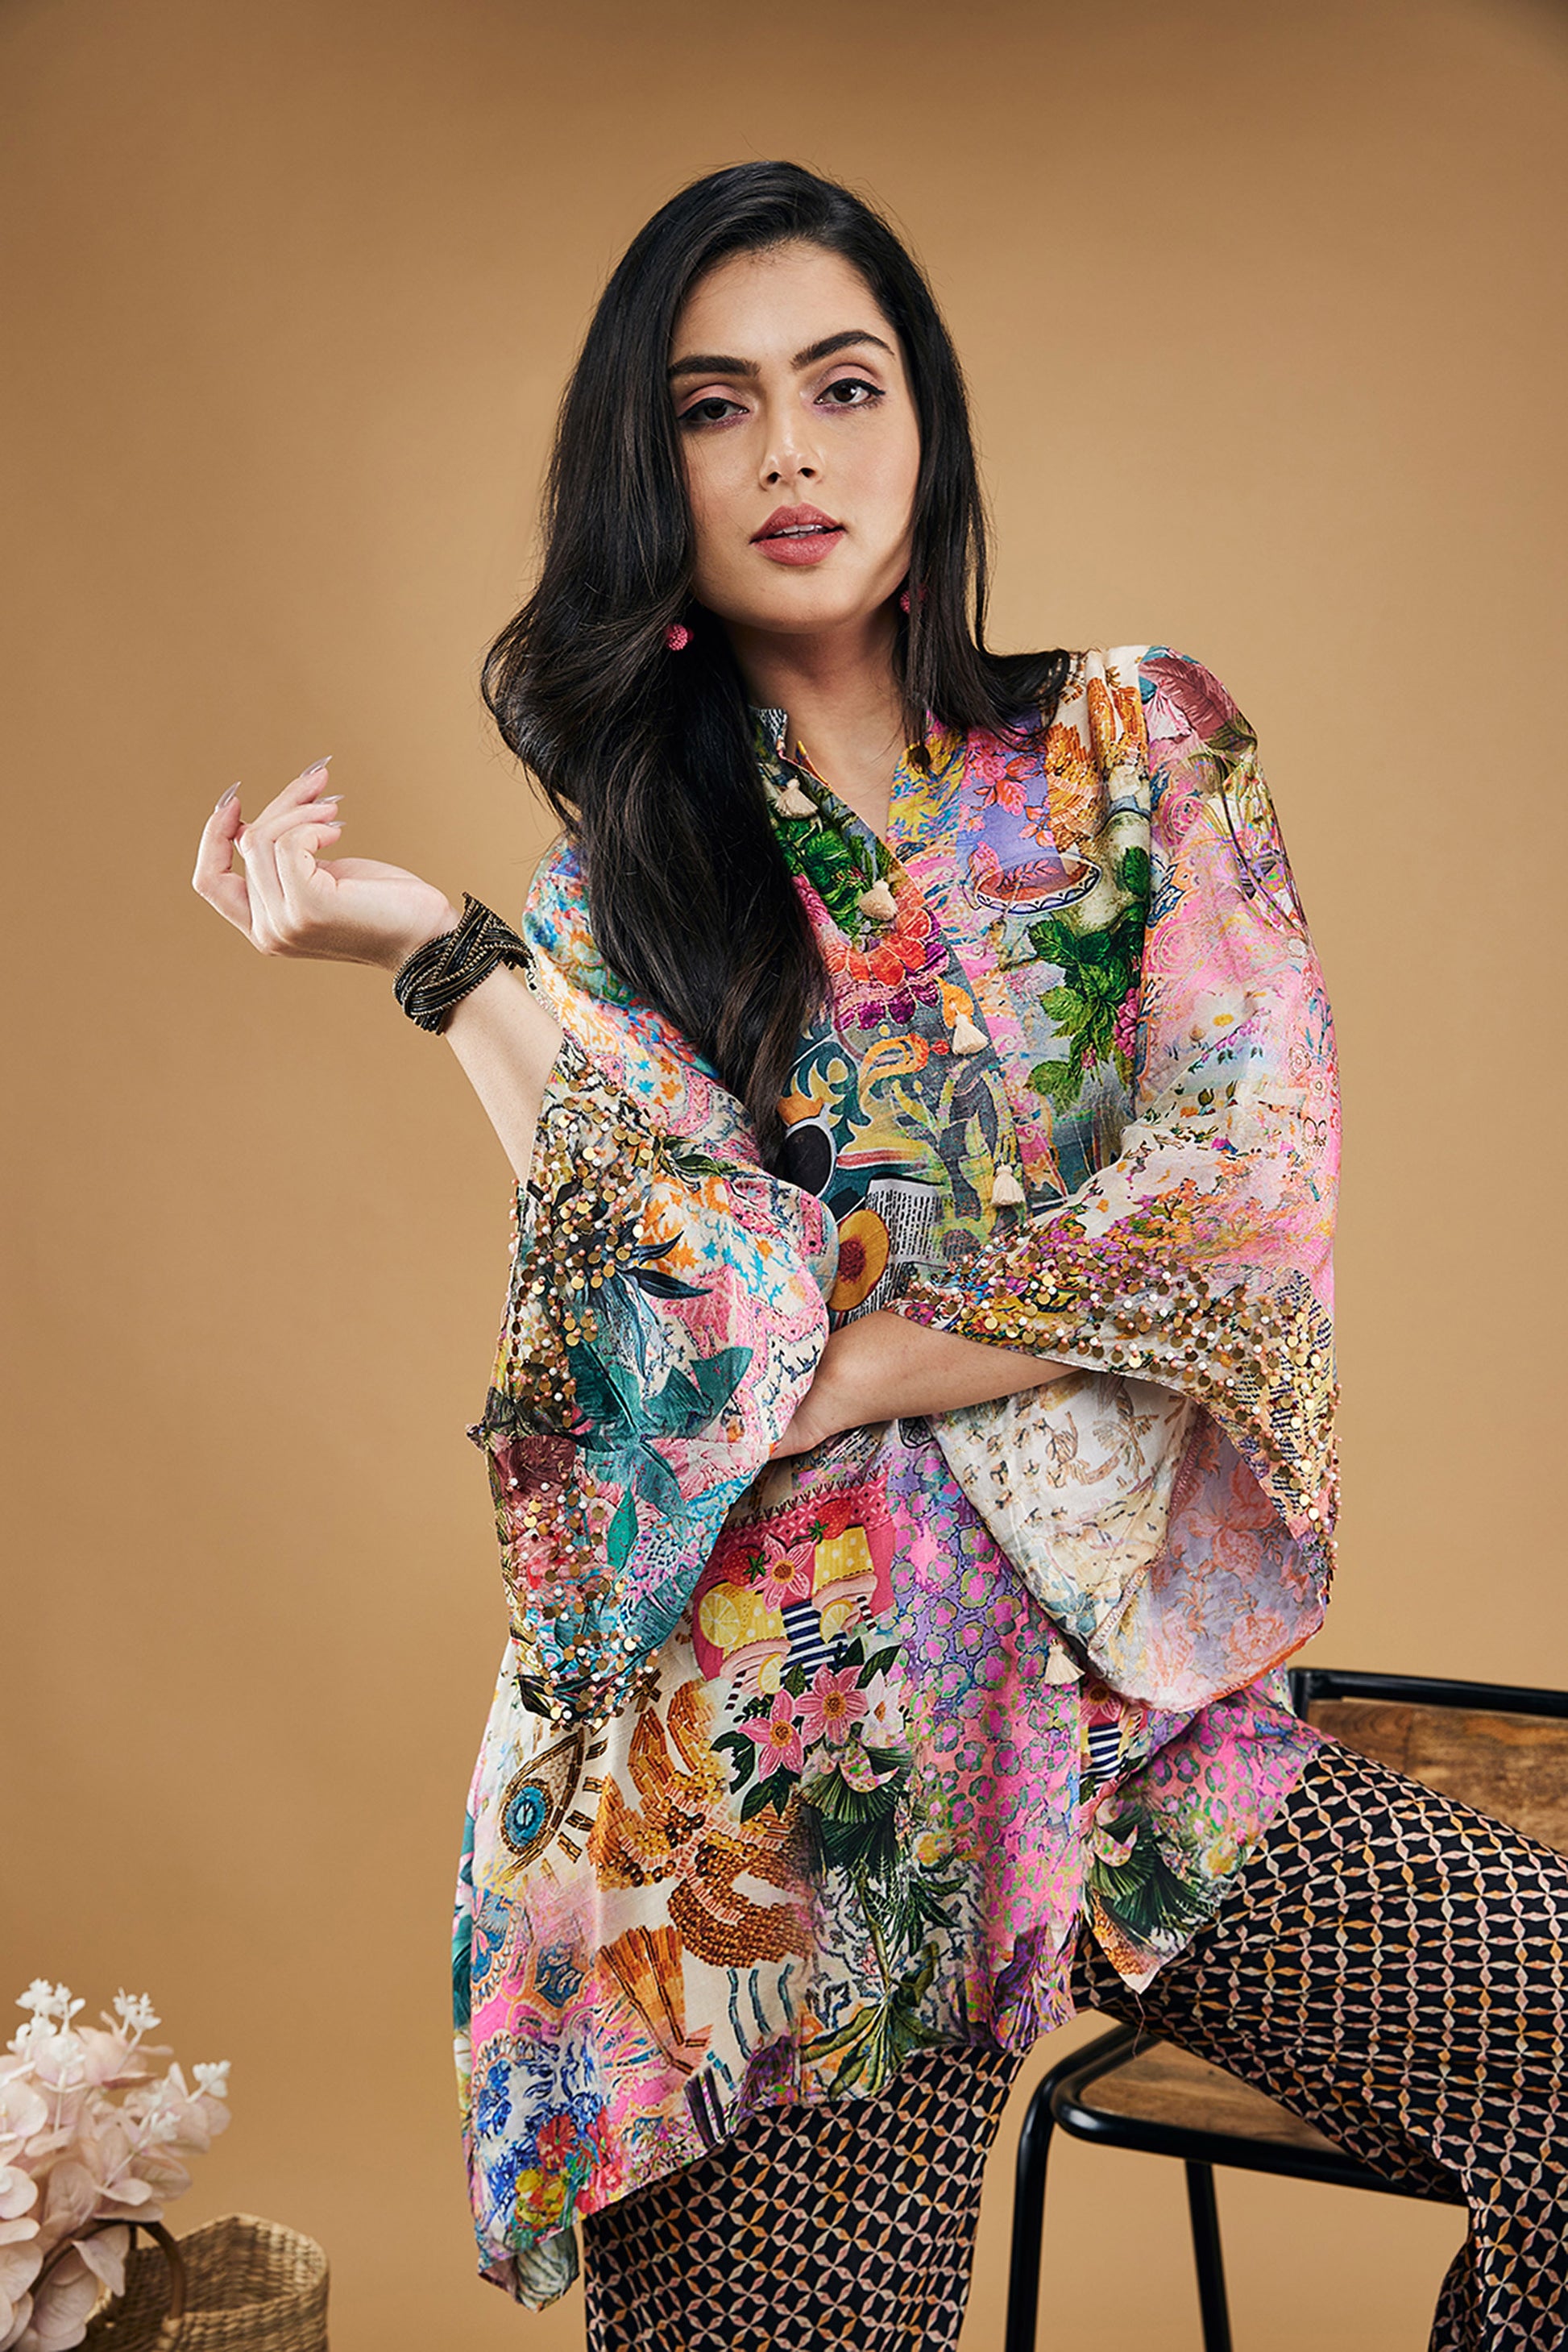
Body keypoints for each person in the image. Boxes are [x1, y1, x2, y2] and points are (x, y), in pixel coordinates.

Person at [193, 162, 1564, 2352]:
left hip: (1131, 1726)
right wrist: (445, 955)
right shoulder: (628, 893)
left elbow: (1239, 1185)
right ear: (652, 476)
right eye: (713, 407)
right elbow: (671, 1313)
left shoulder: (1134, 744)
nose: (789, 455)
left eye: (841, 386)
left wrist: (851, 1363)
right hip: (786, 1763)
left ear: (926, 423)